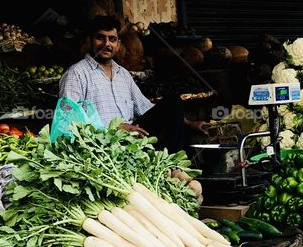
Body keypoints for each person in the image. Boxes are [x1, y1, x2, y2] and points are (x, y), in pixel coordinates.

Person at [59, 15, 208, 150]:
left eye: (112, 39)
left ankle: (173, 165)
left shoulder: (123, 74)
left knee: (173, 102)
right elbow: (69, 120)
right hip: (101, 143)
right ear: (89, 40)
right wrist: (115, 129)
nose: (107, 44)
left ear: (118, 44)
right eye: (100, 38)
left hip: (134, 136)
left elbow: (145, 107)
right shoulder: (76, 74)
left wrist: (190, 123)